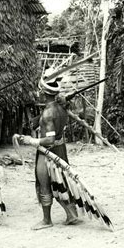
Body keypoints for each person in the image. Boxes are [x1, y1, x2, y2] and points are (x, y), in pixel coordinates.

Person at [17, 70, 79, 230]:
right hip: (60, 149)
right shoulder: (61, 107)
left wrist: (31, 140)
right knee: (61, 182)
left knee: (44, 184)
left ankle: (46, 220)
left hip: (48, 152)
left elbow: (49, 139)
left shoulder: (48, 113)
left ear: (44, 93)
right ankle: (71, 214)